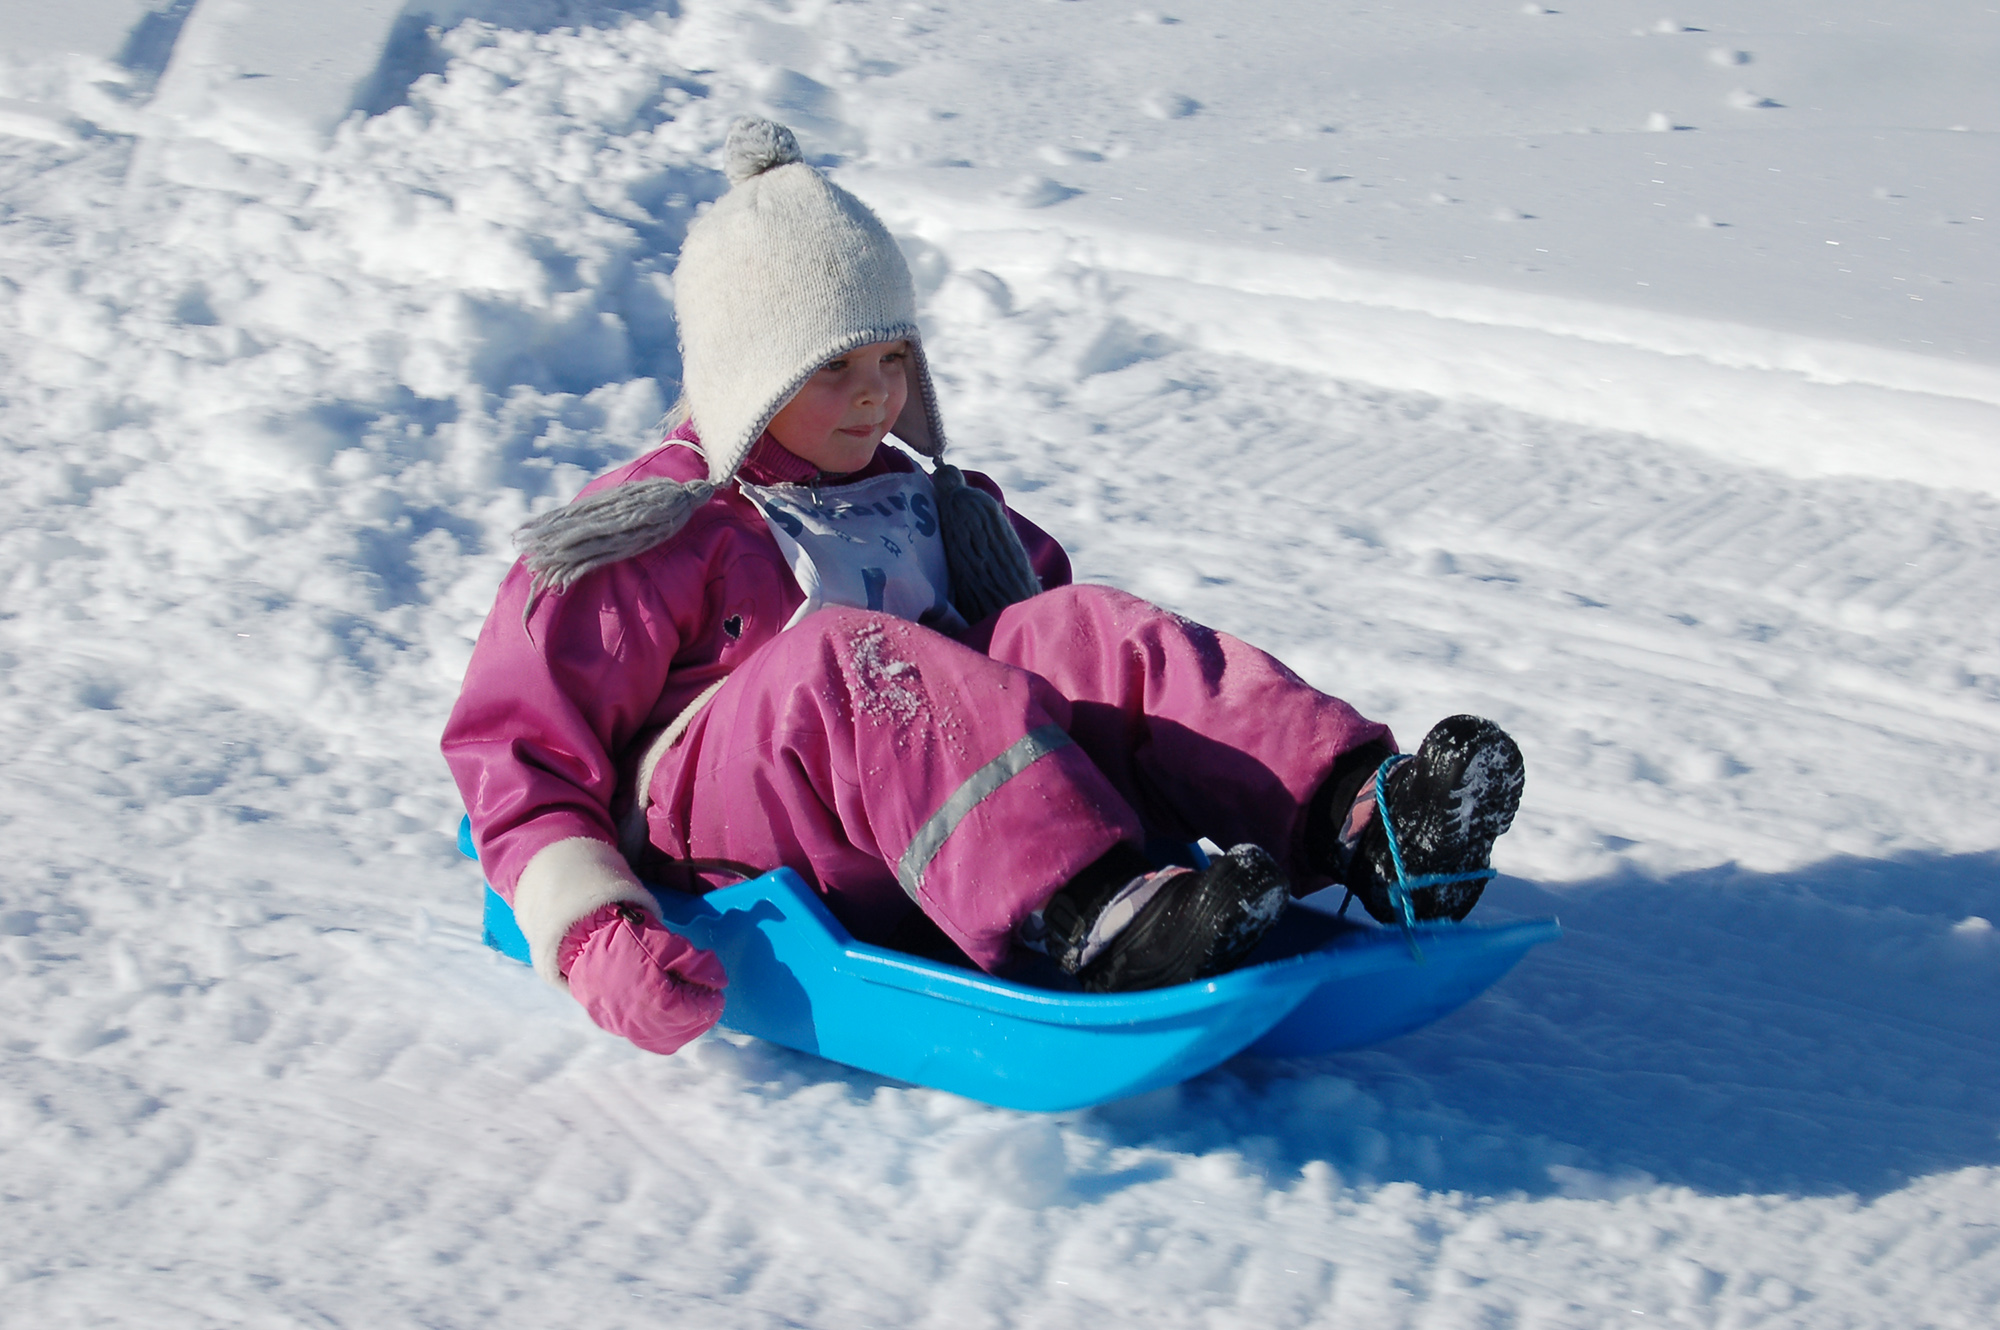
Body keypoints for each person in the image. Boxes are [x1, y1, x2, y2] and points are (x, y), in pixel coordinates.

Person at [441, 118, 1524, 1056]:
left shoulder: (930, 502)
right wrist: (591, 930)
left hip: (920, 815)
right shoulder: (661, 528)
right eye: (832, 370)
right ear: (749, 374)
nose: (874, 398)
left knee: (1074, 624)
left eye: (890, 361)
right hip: (735, 832)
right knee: (844, 657)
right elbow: (516, 750)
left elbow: (1081, 681)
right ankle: (1089, 916)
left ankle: (1365, 819)